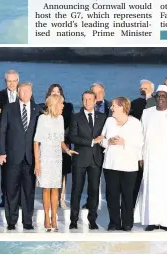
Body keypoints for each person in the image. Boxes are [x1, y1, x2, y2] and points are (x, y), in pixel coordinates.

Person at [135, 86, 167, 232]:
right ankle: (152, 220)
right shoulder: (146, 113)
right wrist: (140, 156)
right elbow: (141, 136)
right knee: (152, 190)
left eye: (164, 96)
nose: (161, 98)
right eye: (158, 96)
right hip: (151, 158)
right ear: (155, 98)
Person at [0, 82, 40, 230]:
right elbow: (1, 131)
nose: (25, 94)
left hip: (30, 157)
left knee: (29, 191)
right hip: (12, 156)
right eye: (22, 91)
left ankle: (27, 221)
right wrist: (1, 152)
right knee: (11, 189)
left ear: (31, 92)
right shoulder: (9, 108)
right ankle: (11, 220)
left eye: (28, 91)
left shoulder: (37, 109)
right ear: (18, 92)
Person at [100, 97, 143, 232]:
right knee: (112, 195)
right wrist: (109, 142)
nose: (111, 108)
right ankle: (114, 222)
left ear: (123, 108)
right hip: (111, 165)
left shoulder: (135, 123)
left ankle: (127, 222)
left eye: (114, 106)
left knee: (128, 195)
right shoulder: (109, 121)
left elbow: (140, 143)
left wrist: (125, 142)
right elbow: (102, 140)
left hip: (129, 166)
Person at [68, 90, 105, 230]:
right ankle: (73, 219)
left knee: (94, 190)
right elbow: (73, 137)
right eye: (84, 99)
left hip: (96, 159)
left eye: (90, 99)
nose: (87, 102)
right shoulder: (76, 117)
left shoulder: (103, 117)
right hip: (80, 158)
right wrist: (92, 141)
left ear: (95, 101)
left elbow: (105, 135)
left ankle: (92, 219)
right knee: (76, 189)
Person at [34, 93, 71, 231]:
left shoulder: (61, 119)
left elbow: (61, 140)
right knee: (46, 188)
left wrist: (67, 150)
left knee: (55, 187)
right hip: (44, 157)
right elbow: (36, 142)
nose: (63, 106)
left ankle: (54, 217)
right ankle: (46, 217)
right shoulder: (42, 118)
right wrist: (37, 162)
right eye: (61, 104)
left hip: (56, 157)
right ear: (55, 104)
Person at [0, 69, 22, 209]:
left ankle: (18, 199)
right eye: (9, 81)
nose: (11, 84)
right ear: (5, 81)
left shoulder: (25, 94)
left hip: (20, 139)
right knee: (5, 172)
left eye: (14, 81)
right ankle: (5, 198)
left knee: (20, 172)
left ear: (17, 81)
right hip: (5, 138)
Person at [46, 84, 73, 208]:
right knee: (50, 171)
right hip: (48, 144)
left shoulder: (67, 106)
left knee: (63, 172)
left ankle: (62, 198)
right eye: (53, 91)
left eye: (58, 91)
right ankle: (51, 197)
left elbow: (69, 124)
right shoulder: (45, 107)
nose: (55, 94)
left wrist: (61, 138)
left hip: (64, 141)